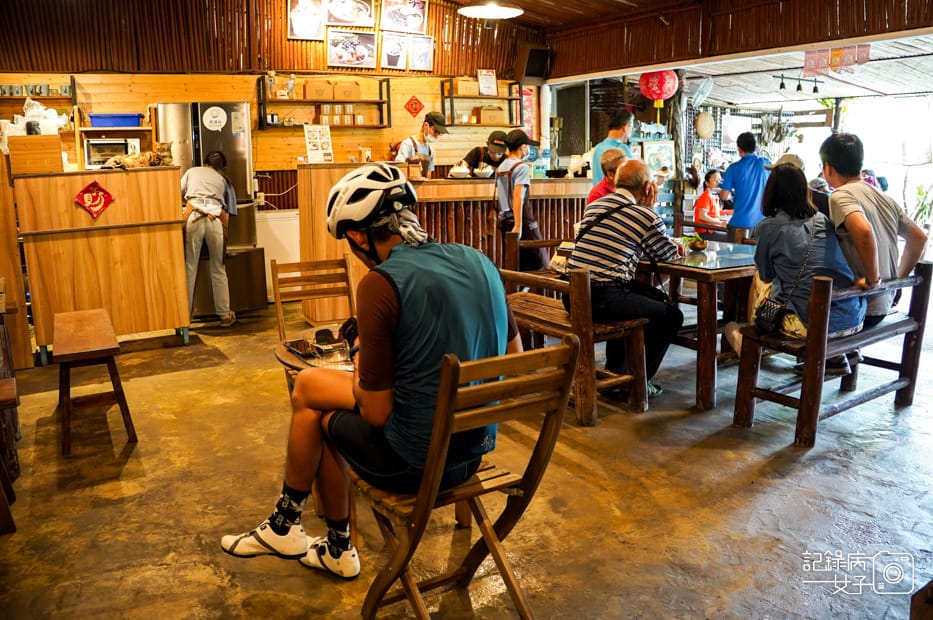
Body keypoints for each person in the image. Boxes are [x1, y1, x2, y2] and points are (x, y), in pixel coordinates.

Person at [220, 163, 521, 578]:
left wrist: (361, 349)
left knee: (319, 411)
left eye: (349, 241)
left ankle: (318, 537)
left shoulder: (382, 283)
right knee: (311, 388)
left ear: (360, 236)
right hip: (472, 455)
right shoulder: (479, 260)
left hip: (416, 466)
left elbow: (377, 412)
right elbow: (511, 360)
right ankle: (293, 528)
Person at [723, 163, 866, 375]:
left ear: (770, 192)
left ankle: (752, 340)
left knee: (755, 286)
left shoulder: (768, 227)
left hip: (813, 325)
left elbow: (766, 274)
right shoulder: (822, 219)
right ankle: (836, 355)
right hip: (852, 318)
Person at [567, 159, 685, 398]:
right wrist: (650, 209)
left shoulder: (594, 206)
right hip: (603, 300)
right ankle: (636, 382)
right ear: (646, 187)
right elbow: (668, 255)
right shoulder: (643, 215)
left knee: (651, 297)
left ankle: (616, 372)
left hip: (572, 297)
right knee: (672, 316)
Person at [819, 133, 927, 327]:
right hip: (884, 303)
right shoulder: (884, 197)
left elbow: (864, 231)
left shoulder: (840, 195)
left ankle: (837, 357)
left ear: (828, 167)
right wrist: (898, 279)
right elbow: (919, 238)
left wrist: (873, 280)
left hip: (862, 307)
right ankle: (843, 356)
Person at [181, 150, 238, 327]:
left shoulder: (192, 171)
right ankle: (224, 315)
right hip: (215, 220)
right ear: (222, 167)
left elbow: (178, 191)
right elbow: (230, 211)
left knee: (189, 269)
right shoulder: (223, 180)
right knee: (218, 269)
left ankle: (185, 318)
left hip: (194, 217)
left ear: (205, 163)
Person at [496, 129, 548, 271]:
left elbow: (501, 196)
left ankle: (516, 292)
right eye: (527, 146)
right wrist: (518, 226)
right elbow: (518, 195)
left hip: (505, 220)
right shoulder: (521, 167)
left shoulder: (501, 167)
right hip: (522, 221)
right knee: (541, 262)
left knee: (516, 264)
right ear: (522, 147)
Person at [719, 132, 771, 241]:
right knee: (758, 257)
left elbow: (723, 196)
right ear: (755, 147)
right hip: (763, 224)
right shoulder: (767, 163)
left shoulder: (733, 168)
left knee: (734, 257)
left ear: (739, 148)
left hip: (739, 224)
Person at [393, 111, 448, 178]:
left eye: (439, 133)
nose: (436, 136)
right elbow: (399, 170)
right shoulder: (408, 145)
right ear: (426, 125)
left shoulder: (430, 151)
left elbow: (428, 176)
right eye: (435, 131)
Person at [590, 108, 634, 187]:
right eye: (631, 126)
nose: (632, 130)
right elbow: (633, 178)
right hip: (615, 197)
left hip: (598, 197)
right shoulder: (622, 149)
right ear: (625, 127)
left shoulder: (597, 148)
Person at [692, 169, 726, 235]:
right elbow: (702, 216)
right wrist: (720, 223)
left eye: (720, 180)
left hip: (712, 228)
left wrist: (730, 212)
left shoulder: (714, 195)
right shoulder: (706, 196)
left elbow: (714, 214)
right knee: (731, 236)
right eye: (715, 180)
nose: (718, 183)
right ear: (707, 183)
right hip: (705, 231)